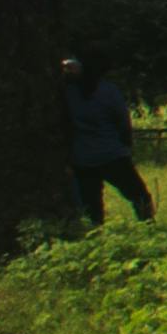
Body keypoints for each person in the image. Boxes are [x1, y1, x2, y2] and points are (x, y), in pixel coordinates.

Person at [64, 55, 149, 228]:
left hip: (82, 158)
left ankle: (96, 235)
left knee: (91, 205)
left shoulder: (67, 93)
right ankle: (148, 226)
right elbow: (123, 122)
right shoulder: (108, 91)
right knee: (139, 196)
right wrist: (126, 145)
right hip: (112, 154)